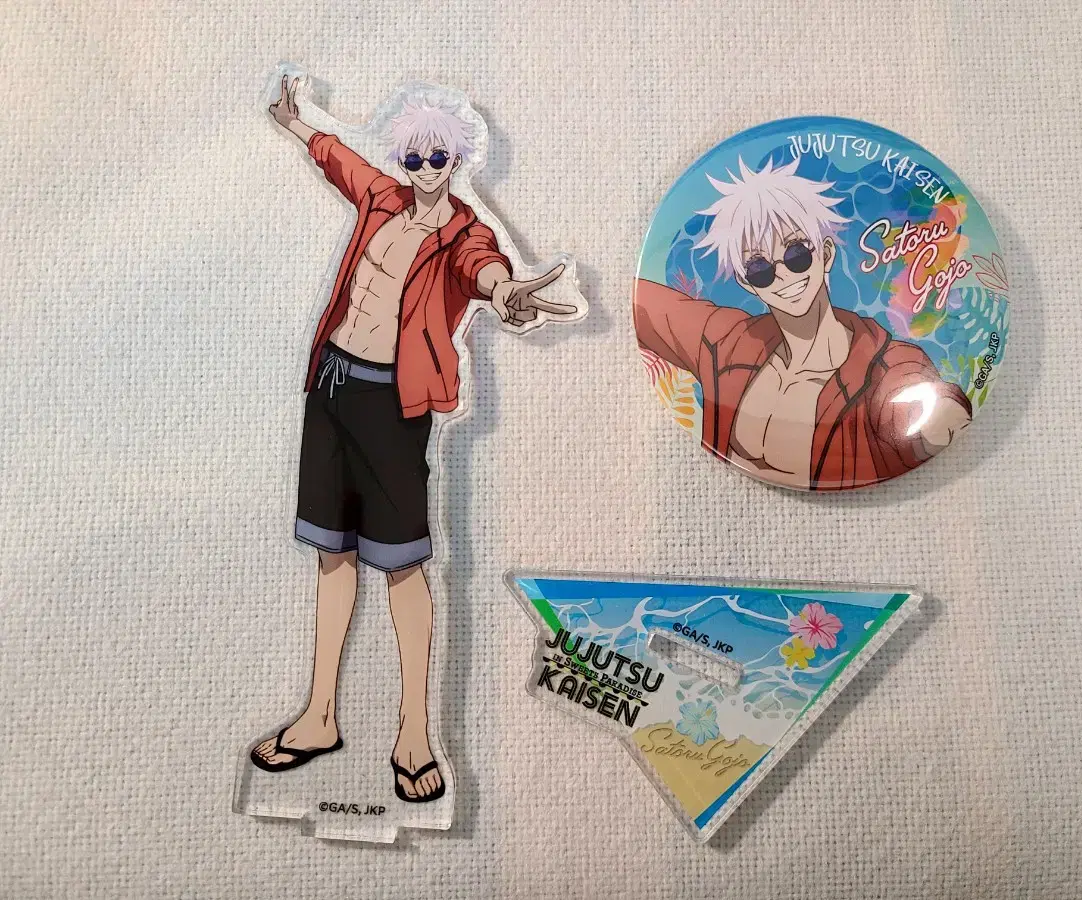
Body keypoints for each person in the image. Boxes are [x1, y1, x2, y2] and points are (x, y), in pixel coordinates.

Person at [250, 76, 576, 801]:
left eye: (438, 157)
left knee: (403, 565)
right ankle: (319, 715)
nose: (425, 168)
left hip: (393, 406)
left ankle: (415, 733)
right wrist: (295, 123)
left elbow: (484, 268)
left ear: (457, 160)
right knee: (331, 556)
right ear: (402, 157)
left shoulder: (466, 231)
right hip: (331, 383)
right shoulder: (382, 197)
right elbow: (337, 159)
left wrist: (504, 293)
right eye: (414, 157)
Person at [635, 156, 971, 490]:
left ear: (826, 255)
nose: (783, 275)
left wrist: (940, 414)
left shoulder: (883, 365)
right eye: (760, 269)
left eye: (797, 254)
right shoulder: (730, 342)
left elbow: (905, 387)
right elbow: (652, 305)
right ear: (747, 283)